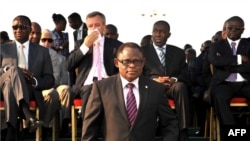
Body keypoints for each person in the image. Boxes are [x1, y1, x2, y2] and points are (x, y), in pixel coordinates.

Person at [82, 42, 179, 141]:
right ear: (116, 62)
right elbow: (90, 127)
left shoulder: (156, 89)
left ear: (143, 62)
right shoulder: (102, 88)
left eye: (137, 61)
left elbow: (169, 123)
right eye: (126, 61)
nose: (132, 65)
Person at [0, 15, 54, 140]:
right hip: (1, 89)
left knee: (10, 86)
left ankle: (11, 131)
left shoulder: (43, 52)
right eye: (15, 27)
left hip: (29, 91)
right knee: (14, 70)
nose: (17, 30)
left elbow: (50, 80)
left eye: (22, 27)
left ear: (30, 30)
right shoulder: (2, 49)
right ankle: (27, 113)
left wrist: (34, 80)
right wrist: (7, 70)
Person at [66, 11, 123, 119]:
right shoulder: (80, 44)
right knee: (90, 89)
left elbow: (123, 69)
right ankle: (88, 133)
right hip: (86, 85)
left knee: (108, 91)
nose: (94, 28)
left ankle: (109, 132)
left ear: (104, 26)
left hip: (109, 83)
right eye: (90, 26)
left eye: (97, 25)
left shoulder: (116, 45)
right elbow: (68, 65)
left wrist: (114, 79)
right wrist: (85, 46)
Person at [142, 20, 190, 141]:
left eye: (162, 31)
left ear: (168, 34)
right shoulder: (142, 52)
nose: (158, 34)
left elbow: (185, 73)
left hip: (171, 86)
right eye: (155, 31)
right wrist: (154, 80)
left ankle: (183, 130)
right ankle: (148, 130)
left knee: (181, 87)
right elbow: (137, 74)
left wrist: (174, 79)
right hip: (150, 86)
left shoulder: (178, 52)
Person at [208, 16, 250, 140]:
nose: (231, 31)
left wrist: (226, 64)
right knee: (219, 96)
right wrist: (239, 59)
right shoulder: (217, 45)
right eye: (229, 28)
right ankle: (233, 134)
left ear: (242, 30)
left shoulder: (248, 45)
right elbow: (214, 60)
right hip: (224, 83)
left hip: (245, 83)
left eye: (235, 28)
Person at [39, 29, 74, 138]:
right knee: (51, 92)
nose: (46, 43)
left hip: (55, 84)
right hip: (39, 86)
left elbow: (59, 78)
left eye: (50, 40)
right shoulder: (33, 54)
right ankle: (45, 127)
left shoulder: (60, 58)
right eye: (43, 40)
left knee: (66, 89)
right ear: (39, 40)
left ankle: (65, 123)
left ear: (53, 42)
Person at [67, 12, 88, 86]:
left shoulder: (88, 28)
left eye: (70, 22)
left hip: (87, 57)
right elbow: (77, 46)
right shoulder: (75, 33)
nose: (69, 25)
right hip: (78, 56)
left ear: (77, 20)